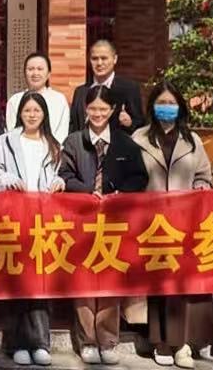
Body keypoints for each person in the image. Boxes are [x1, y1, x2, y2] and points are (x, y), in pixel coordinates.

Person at [57, 84, 149, 367]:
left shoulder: (125, 143)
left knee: (110, 279)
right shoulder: (73, 141)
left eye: (103, 109)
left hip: (114, 223)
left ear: (112, 111)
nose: (97, 114)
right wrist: (87, 192)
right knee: (84, 280)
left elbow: (140, 177)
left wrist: (119, 193)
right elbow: (64, 175)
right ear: (86, 110)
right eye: (93, 109)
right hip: (82, 221)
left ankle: (108, 340)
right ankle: (87, 340)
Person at [131, 82, 213, 369]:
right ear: (152, 106)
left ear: (180, 107)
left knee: (182, 282)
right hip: (151, 223)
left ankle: (183, 344)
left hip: (185, 221)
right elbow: (131, 175)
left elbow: (204, 175)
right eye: (161, 102)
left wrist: (201, 186)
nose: (166, 107)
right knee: (158, 281)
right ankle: (160, 342)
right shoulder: (139, 138)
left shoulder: (193, 141)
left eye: (171, 103)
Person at [0, 91, 66, 367]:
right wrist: (6, 178)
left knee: (41, 283)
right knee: (16, 282)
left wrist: (59, 183)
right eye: (27, 110)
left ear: (44, 115)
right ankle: (15, 343)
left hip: (43, 221)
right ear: (20, 113)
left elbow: (61, 174)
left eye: (37, 111)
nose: (32, 115)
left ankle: (40, 343)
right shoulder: (5, 141)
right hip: (13, 219)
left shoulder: (53, 145)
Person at [69, 40, 144, 135]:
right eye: (94, 59)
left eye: (104, 58)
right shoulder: (80, 92)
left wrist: (129, 123)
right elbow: (73, 126)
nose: (99, 63)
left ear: (115, 59)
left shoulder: (129, 89)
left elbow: (140, 125)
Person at [5, 53, 70, 143]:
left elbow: (62, 133)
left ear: (48, 74)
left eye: (40, 69)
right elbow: (12, 131)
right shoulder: (15, 100)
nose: (35, 73)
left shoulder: (59, 100)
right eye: (31, 69)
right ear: (24, 73)